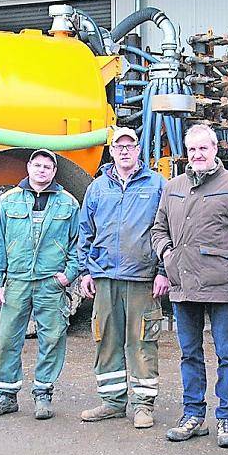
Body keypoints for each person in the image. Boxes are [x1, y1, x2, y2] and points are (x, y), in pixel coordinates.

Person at [151, 124, 228, 448]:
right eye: (192, 149)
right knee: (189, 354)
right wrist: (168, 257)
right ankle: (193, 415)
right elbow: (158, 229)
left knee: (226, 354)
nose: (197, 155)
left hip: (222, 287)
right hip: (183, 286)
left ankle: (227, 417)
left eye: (203, 149)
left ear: (216, 150)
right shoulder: (173, 187)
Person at [77, 127, 170, 429]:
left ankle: (143, 405)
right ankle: (112, 402)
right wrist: (85, 270)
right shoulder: (97, 188)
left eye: (131, 145)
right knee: (107, 339)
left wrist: (164, 271)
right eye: (120, 146)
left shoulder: (157, 185)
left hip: (143, 278)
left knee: (142, 340)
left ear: (139, 150)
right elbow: (85, 232)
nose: (125, 150)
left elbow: (169, 230)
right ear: (112, 151)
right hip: (104, 277)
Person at [0, 149, 81, 420]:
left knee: (53, 337)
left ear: (54, 171)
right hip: (17, 280)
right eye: (37, 165)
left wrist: (68, 274)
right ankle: (5, 396)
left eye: (47, 167)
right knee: (8, 338)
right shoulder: (9, 201)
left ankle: (43, 394)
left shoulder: (68, 204)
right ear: (28, 167)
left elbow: (78, 243)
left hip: (51, 282)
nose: (42, 170)